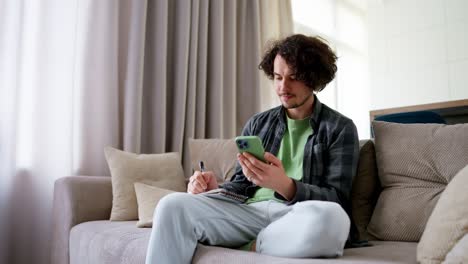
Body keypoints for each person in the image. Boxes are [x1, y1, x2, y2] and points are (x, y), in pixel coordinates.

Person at [145, 34, 359, 264]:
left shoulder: (340, 128)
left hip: (295, 216)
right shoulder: (259, 123)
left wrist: (284, 185)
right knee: (172, 204)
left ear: (313, 79)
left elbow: (336, 198)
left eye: (293, 78)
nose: (283, 87)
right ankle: (269, 242)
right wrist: (214, 189)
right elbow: (241, 183)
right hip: (248, 213)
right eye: (277, 77)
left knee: (334, 218)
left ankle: (258, 244)